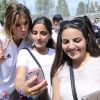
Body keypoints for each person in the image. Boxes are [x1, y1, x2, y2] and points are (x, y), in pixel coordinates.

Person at [51, 16, 100, 100]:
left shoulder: (97, 63)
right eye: (65, 42)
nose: (71, 46)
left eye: (77, 41)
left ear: (87, 39)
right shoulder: (59, 70)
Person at [15, 16, 55, 99]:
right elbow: (19, 78)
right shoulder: (24, 53)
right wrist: (23, 89)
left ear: (50, 35)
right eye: (35, 33)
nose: (38, 37)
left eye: (43, 33)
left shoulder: (56, 53)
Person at [0, 3, 32, 99]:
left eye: (25, 23)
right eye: (17, 25)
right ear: (10, 24)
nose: (23, 29)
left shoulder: (30, 41)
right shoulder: (2, 41)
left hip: (20, 93)